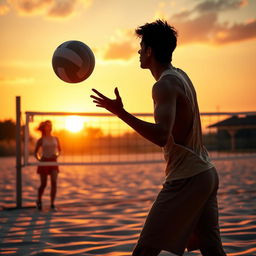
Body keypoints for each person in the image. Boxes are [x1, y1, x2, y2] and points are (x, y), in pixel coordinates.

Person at [91, 20, 226, 256]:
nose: (139, 51)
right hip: (206, 173)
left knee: (144, 251)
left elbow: (162, 136)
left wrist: (121, 113)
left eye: (141, 47)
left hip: (188, 177)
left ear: (150, 51)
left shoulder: (164, 85)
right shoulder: (180, 75)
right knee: (212, 250)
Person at [34, 120, 61, 210]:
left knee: (54, 182)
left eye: (49, 125)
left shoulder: (56, 138)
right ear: (44, 127)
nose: (48, 127)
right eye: (46, 125)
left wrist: (56, 155)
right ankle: (39, 200)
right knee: (43, 184)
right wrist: (40, 159)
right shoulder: (41, 140)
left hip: (53, 161)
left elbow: (59, 151)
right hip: (44, 162)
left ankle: (52, 204)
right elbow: (35, 153)